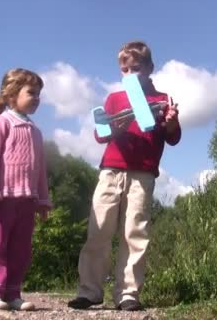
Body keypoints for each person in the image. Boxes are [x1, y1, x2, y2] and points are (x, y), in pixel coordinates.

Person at [68, 41, 181, 311]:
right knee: (99, 228)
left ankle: (128, 293)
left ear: (150, 68)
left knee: (135, 232)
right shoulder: (114, 99)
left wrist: (172, 121)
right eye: (125, 69)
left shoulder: (163, 99)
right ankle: (90, 291)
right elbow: (100, 134)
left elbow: (173, 137)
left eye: (137, 68)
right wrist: (113, 128)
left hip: (143, 173)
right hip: (111, 169)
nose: (130, 74)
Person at [0, 68, 52, 311]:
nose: (37, 98)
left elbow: (40, 168)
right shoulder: (2, 123)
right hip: (1, 200)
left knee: (21, 249)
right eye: (31, 92)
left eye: (39, 94)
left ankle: (12, 293)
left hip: (27, 202)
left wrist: (43, 200)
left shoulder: (36, 132)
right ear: (12, 95)